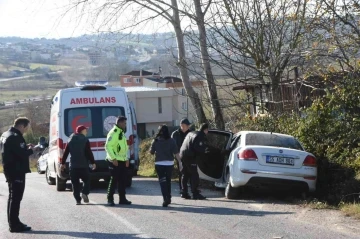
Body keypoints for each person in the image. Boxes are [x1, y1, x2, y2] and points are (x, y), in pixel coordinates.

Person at [0, 117, 38, 233]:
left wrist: (25, 147)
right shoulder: (15, 137)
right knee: (16, 198)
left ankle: (14, 222)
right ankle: (14, 225)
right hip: (16, 170)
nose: (27, 130)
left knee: (13, 197)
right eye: (27, 127)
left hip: (11, 169)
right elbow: (21, 154)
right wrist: (33, 150)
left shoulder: (6, 134)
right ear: (22, 126)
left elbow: (13, 150)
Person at [60, 125, 96, 205]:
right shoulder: (85, 140)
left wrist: (62, 163)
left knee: (75, 184)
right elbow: (88, 152)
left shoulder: (70, 139)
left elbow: (65, 153)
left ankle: (78, 200)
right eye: (85, 130)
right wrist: (93, 162)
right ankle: (84, 192)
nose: (86, 131)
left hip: (73, 166)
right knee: (87, 180)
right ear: (82, 131)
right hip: (83, 165)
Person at [150, 125, 181, 207]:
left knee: (162, 181)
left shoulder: (155, 141)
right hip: (169, 164)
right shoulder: (171, 140)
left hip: (159, 164)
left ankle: (165, 198)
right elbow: (176, 152)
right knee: (168, 181)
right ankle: (169, 196)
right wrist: (180, 162)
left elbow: (151, 152)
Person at [179, 123, 210, 200]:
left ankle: (184, 192)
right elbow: (197, 147)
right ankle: (195, 193)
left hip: (182, 154)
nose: (207, 132)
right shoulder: (200, 135)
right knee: (194, 175)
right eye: (207, 130)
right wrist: (204, 151)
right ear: (205, 130)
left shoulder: (191, 133)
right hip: (190, 156)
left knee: (185, 174)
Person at [105, 116, 131, 206]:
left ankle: (122, 199)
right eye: (124, 123)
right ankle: (110, 199)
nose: (125, 125)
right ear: (120, 123)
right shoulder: (114, 132)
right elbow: (108, 146)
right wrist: (113, 158)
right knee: (113, 180)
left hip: (122, 160)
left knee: (122, 180)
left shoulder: (121, 132)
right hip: (114, 160)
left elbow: (124, 148)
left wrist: (126, 158)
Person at [171, 118, 192, 198]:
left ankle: (186, 189)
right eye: (187, 125)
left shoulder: (190, 133)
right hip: (179, 155)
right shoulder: (175, 134)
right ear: (182, 125)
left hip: (189, 156)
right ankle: (182, 190)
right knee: (182, 173)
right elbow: (173, 145)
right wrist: (176, 155)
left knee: (188, 173)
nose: (188, 127)